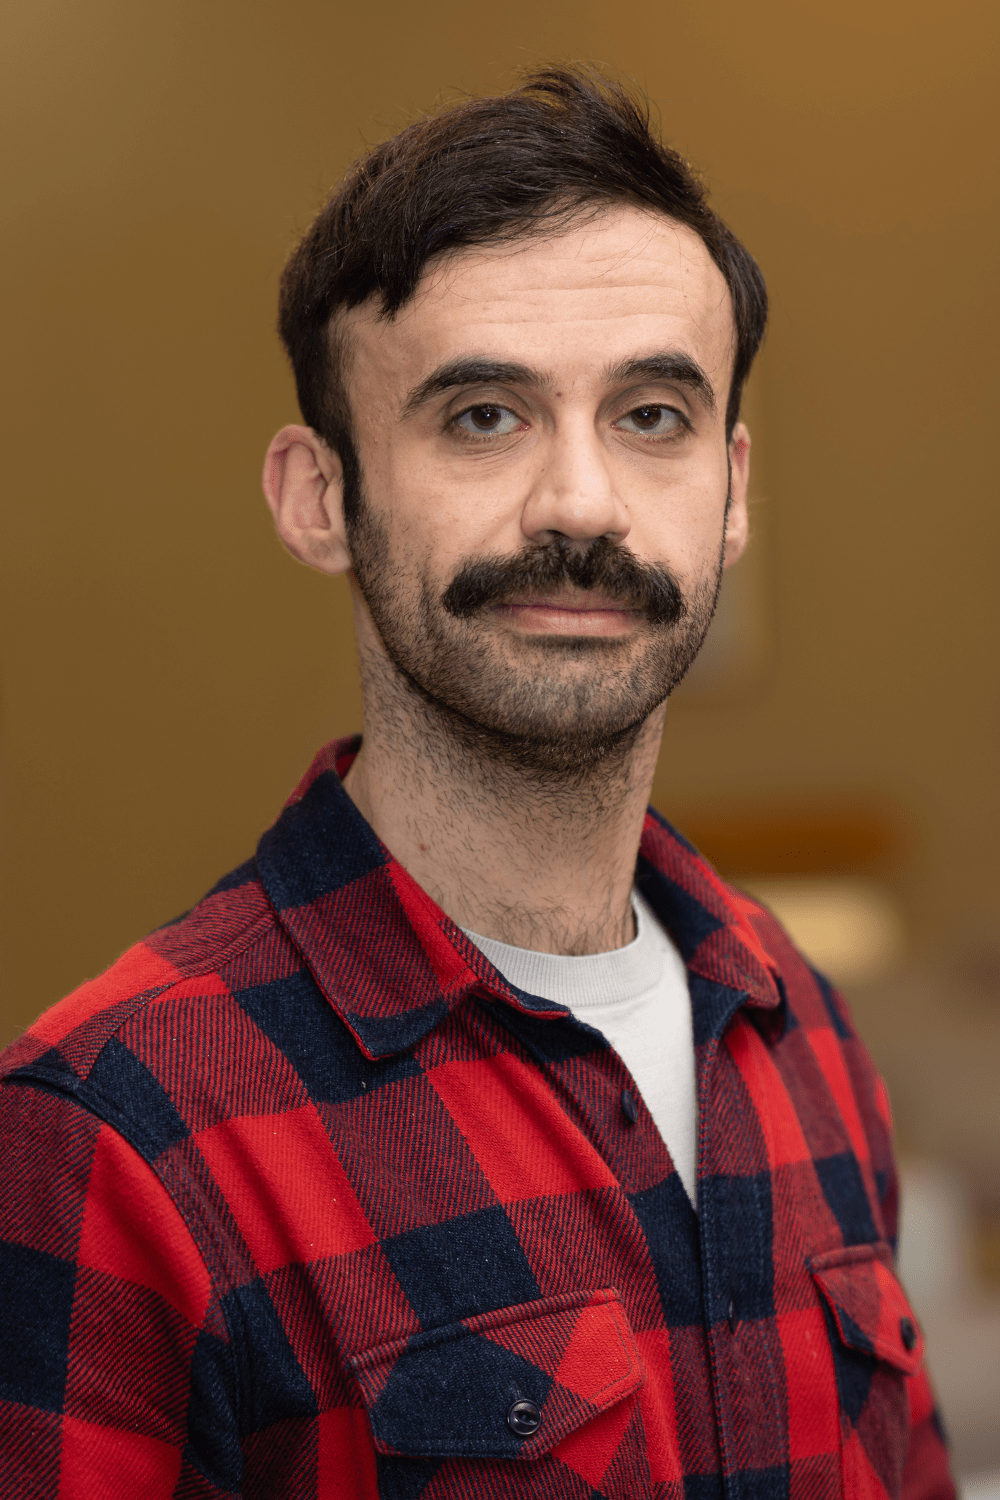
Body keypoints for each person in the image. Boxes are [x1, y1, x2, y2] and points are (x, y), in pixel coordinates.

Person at [0, 67, 953, 1500]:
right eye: (484, 417)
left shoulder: (794, 1024)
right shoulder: (114, 1132)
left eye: (650, 416)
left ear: (734, 489)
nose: (580, 502)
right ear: (319, 498)